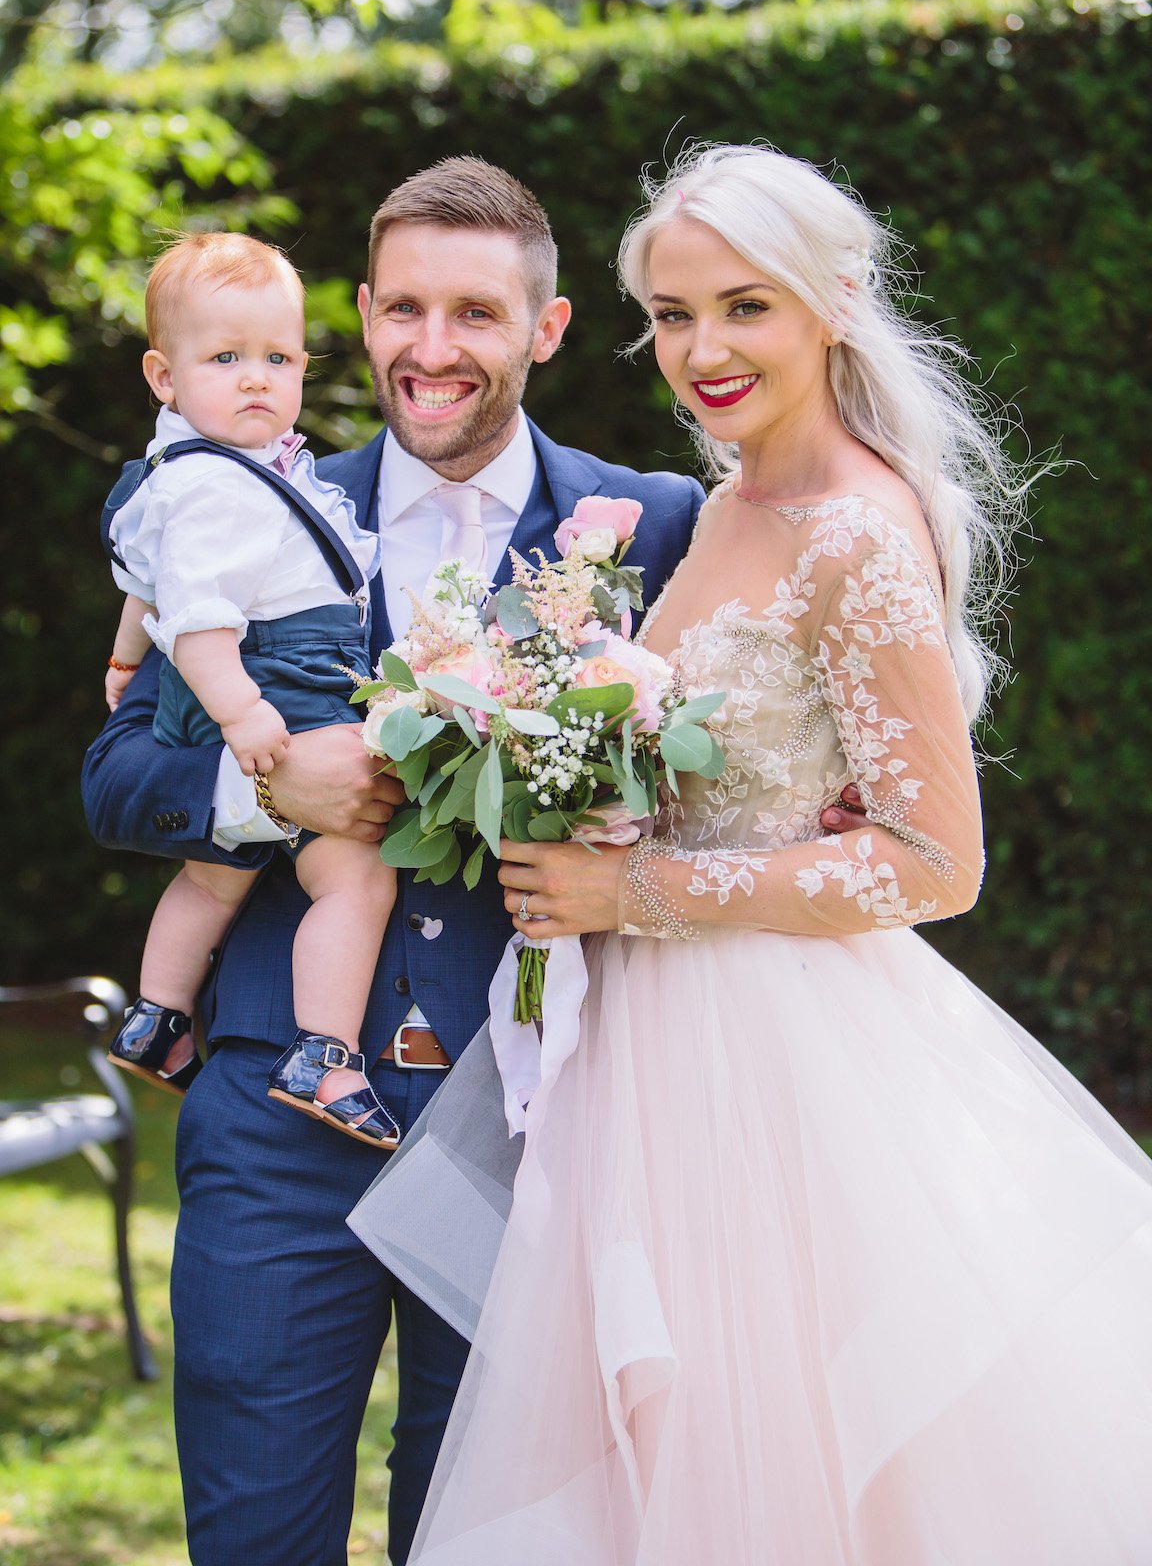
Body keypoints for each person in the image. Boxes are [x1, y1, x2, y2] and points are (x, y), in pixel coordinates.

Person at [404, 146, 1152, 1565]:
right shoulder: (731, 506)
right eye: (674, 316)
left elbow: (935, 861)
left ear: (835, 304)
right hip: (651, 1050)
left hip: (778, 1073)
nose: (703, 351)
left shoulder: (858, 532)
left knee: (779, 1453)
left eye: (744, 307)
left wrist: (638, 888)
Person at [84, 158, 742, 1565]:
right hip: (274, 1110)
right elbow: (117, 775)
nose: (432, 350)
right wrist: (269, 779)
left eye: (475, 314)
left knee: (487, 1536)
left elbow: (730, 797)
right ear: (365, 315)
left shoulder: (659, 524)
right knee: (255, 1532)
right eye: (403, 311)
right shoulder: (244, 499)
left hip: (537, 1131)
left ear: (546, 329)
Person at [102, 232, 401, 1147]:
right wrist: (242, 714)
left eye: (277, 358)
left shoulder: (185, 471)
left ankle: (155, 1017)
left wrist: (123, 663)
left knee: (211, 876)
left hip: (233, 680)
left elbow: (146, 585)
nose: (255, 378)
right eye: (224, 358)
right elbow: (195, 616)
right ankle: (326, 1051)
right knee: (354, 877)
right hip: (276, 686)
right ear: (164, 375)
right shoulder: (224, 487)